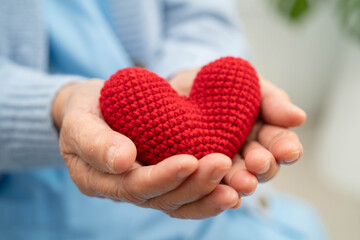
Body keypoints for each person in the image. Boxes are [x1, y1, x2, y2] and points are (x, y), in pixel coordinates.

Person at [0, 0, 327, 239]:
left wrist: (186, 68)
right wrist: (58, 105)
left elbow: (201, 14)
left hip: (226, 211)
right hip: (40, 210)